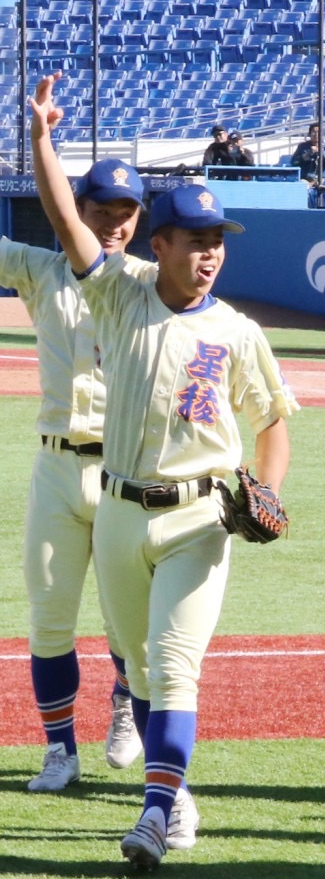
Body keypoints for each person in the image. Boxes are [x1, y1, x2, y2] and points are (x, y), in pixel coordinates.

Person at [26, 76, 297, 872]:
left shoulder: (240, 331)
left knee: (174, 662)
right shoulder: (117, 297)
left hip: (199, 518)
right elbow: (63, 221)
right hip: (116, 511)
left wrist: (269, 486)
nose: (210, 252)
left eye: (218, 240)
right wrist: (42, 137)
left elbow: (273, 418)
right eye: (195, 239)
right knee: (141, 667)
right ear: (160, 246)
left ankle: (151, 811)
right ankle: (173, 790)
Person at [4, 153, 145, 794]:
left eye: (125, 214)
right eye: (100, 212)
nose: (112, 224)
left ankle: (123, 701)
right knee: (50, 615)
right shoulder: (41, 269)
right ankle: (60, 750)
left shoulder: (151, 281)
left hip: (125, 472)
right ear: (75, 212)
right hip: (58, 467)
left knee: (127, 625)